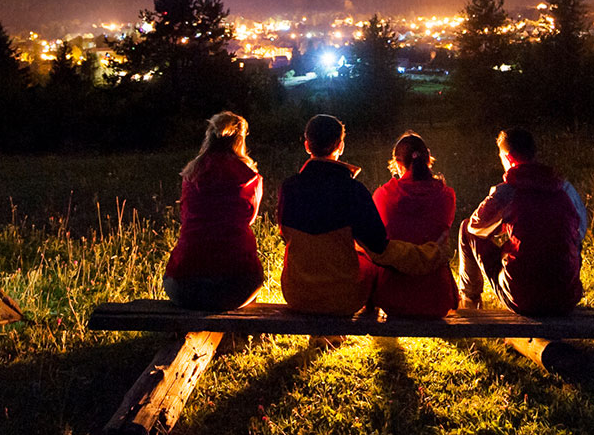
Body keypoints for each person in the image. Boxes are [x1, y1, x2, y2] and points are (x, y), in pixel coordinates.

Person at [278, 114, 442, 316]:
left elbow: (286, 234)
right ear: (340, 146)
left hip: (296, 295)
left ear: (307, 145)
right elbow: (380, 249)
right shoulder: (353, 190)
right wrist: (429, 255)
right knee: (370, 265)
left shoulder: (288, 188)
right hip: (343, 298)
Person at [457, 128, 588, 316]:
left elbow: (475, 226)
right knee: (574, 242)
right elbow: (579, 232)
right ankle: (562, 288)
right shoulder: (565, 189)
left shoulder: (507, 192)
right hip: (565, 299)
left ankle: (470, 302)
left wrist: (501, 226)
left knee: (465, 228)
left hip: (524, 298)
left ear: (508, 157)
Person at [162, 112, 265, 311]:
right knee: (251, 275)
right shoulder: (250, 177)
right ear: (240, 140)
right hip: (236, 285)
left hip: (183, 283)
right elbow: (249, 218)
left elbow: (185, 215)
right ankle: (240, 328)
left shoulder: (191, 175)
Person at [369, 132, 458, 318]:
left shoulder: (384, 195)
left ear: (398, 163)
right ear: (428, 159)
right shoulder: (446, 195)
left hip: (394, 297)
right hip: (437, 298)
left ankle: (369, 306)